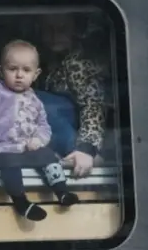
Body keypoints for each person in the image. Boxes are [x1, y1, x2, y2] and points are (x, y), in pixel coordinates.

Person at [0, 40, 79, 222]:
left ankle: (61, 191)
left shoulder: (34, 99)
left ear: (36, 74)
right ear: (1, 70)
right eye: (12, 69)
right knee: (9, 165)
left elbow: (44, 125)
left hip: (28, 148)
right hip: (3, 148)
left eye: (26, 70)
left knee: (48, 156)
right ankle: (21, 202)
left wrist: (38, 140)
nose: (19, 75)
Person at [35, 13, 107, 177]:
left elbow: (93, 105)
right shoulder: (46, 58)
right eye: (48, 30)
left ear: (75, 30)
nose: (55, 36)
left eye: (62, 29)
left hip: (79, 131)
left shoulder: (78, 61)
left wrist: (86, 149)